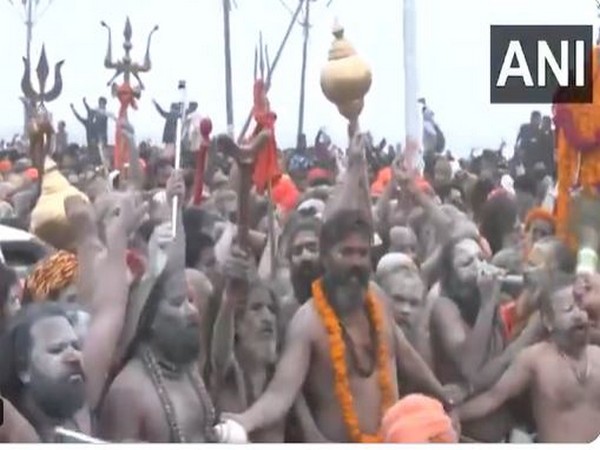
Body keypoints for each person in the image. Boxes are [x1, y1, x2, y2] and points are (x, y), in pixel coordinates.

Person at [224, 209, 454, 443]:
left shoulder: (378, 298)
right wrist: (246, 420)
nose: (356, 262)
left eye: (362, 253)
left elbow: (405, 355)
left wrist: (443, 397)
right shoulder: (308, 322)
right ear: (325, 257)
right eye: (346, 252)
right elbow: (280, 392)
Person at [99, 172, 217, 443]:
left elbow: (174, 264)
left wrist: (176, 207)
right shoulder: (128, 391)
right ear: (149, 318)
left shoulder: (186, 366)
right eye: (177, 304)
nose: (192, 311)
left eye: (189, 300)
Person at [458, 275, 600, 443]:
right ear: (549, 321)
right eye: (569, 309)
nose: (578, 314)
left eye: (581, 308)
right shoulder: (535, 358)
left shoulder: (597, 354)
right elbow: (492, 398)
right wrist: (452, 414)